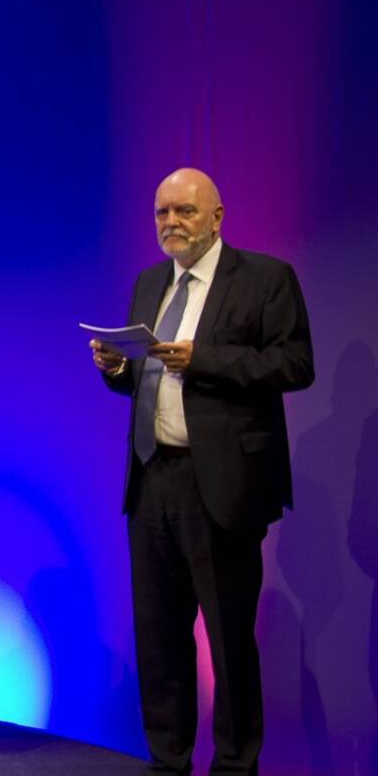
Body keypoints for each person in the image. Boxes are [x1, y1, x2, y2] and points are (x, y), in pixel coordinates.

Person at [90, 167, 314, 775]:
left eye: (185, 211)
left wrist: (205, 360)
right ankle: (168, 760)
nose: (172, 223)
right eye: (162, 212)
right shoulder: (148, 283)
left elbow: (295, 363)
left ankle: (236, 766)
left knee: (228, 640)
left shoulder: (265, 278)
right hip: (152, 478)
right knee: (159, 638)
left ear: (217, 216)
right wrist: (117, 368)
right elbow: (147, 380)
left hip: (223, 486)